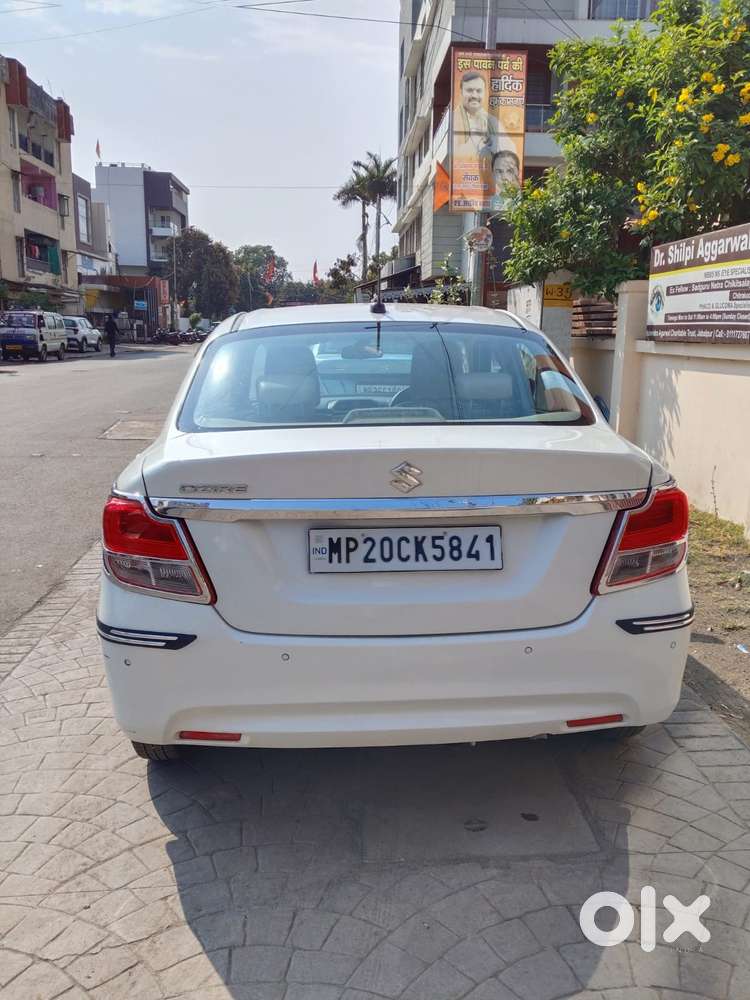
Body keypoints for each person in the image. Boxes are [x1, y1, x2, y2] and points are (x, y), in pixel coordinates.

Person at [455, 72, 499, 158]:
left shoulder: (492, 121)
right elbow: (456, 154)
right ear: (461, 92)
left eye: (479, 91)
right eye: (469, 90)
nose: (474, 95)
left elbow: (509, 150)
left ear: (484, 93)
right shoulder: (454, 119)